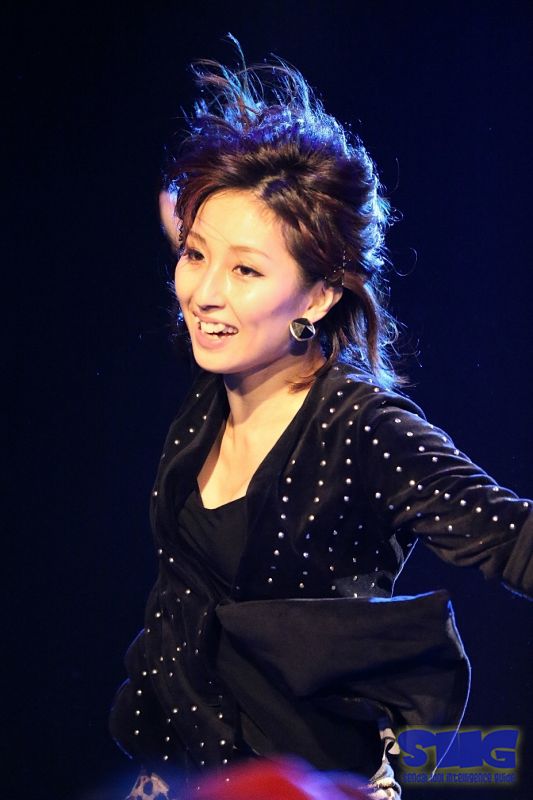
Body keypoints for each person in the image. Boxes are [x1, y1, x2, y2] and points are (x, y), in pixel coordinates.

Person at [109, 42, 532, 800]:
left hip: (309, 781)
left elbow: (515, 539)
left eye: (245, 270)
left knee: (487, 764)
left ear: (318, 295)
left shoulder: (361, 428)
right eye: (194, 256)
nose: (203, 293)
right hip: (178, 772)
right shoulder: (215, 384)